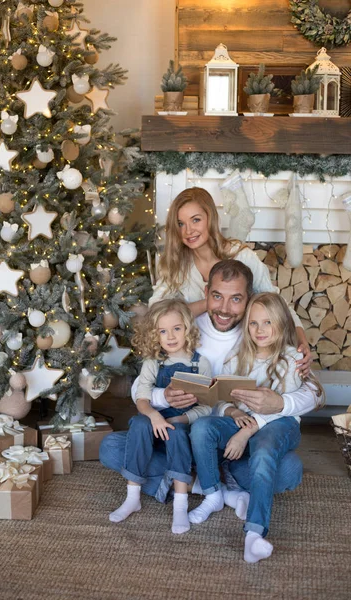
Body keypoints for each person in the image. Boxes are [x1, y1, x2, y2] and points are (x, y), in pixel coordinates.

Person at [100, 260, 318, 519]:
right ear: (206, 294)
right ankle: (217, 489)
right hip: (180, 433)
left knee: (290, 470)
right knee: (111, 447)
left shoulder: (261, 332)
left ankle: (190, 482)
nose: (225, 308)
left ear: (249, 299)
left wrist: (280, 404)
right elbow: (142, 384)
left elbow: (313, 391)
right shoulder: (185, 328)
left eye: (236, 299)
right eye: (217, 297)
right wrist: (163, 395)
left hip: (233, 440)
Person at [188, 292, 325, 563]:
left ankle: (254, 534)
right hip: (244, 423)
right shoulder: (237, 358)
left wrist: (247, 431)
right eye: (253, 323)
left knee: (264, 452)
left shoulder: (291, 359)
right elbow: (220, 402)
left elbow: (288, 406)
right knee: (202, 427)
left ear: (282, 325)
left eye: (267, 323)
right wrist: (233, 411)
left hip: (278, 425)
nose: (259, 330)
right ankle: (213, 492)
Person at [149, 186, 311, 376]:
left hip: (243, 354)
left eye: (196, 220)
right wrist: (209, 303)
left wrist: (302, 340)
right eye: (181, 223)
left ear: (210, 218)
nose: (188, 231)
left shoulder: (242, 256)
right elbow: (157, 312)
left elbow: (275, 303)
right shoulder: (175, 265)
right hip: (196, 357)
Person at [109, 298, 212, 534]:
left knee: (175, 434)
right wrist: (155, 416)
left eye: (177, 328)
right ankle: (132, 496)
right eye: (163, 331)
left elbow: (206, 407)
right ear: (155, 335)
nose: (171, 336)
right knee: (139, 422)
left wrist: (179, 420)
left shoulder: (200, 364)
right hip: (153, 422)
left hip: (180, 424)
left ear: (188, 328)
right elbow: (142, 397)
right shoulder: (154, 362)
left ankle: (180, 504)